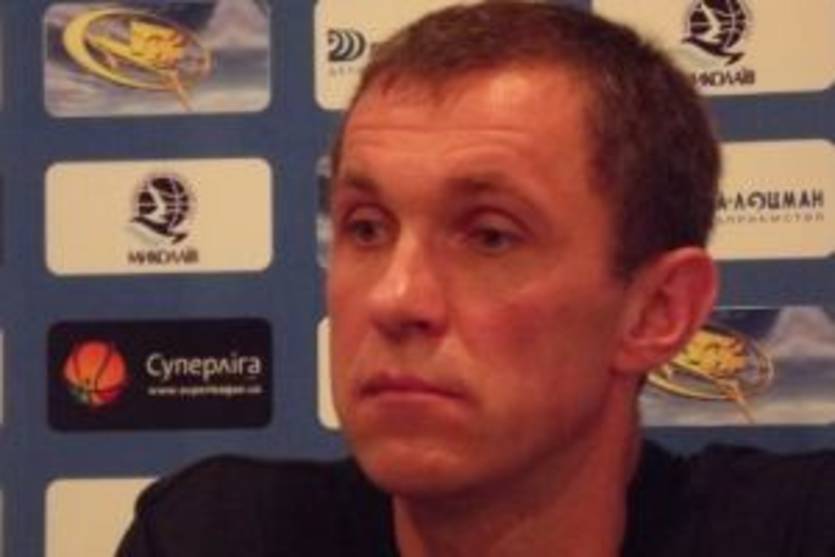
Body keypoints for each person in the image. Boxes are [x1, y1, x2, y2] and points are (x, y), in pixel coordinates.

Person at [117, 2, 835, 556]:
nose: (396, 298)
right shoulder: (214, 537)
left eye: (490, 235)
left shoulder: (798, 530)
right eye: (366, 228)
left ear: (656, 310)